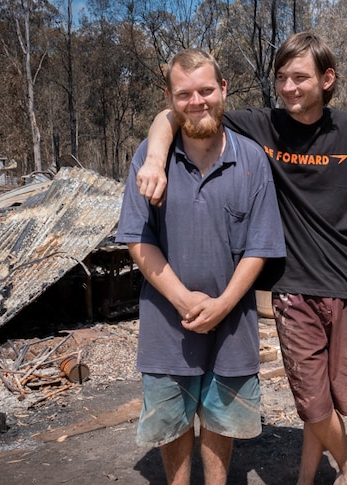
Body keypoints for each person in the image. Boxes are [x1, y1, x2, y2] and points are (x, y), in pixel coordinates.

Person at [136, 33, 347, 485]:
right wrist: (156, 159)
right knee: (311, 400)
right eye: (282, 78)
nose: (289, 88)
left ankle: (307, 477)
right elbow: (177, 113)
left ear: (326, 79)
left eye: (301, 78)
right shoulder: (262, 127)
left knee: (333, 401)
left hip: (344, 281)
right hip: (293, 286)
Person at [115, 48, 285, 485]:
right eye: (185, 93)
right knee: (171, 420)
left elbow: (261, 246)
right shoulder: (150, 160)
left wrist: (224, 303)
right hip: (166, 323)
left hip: (233, 324)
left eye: (206, 90)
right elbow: (137, 238)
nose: (197, 101)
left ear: (223, 89)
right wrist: (184, 299)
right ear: (170, 98)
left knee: (222, 419)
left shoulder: (251, 160)